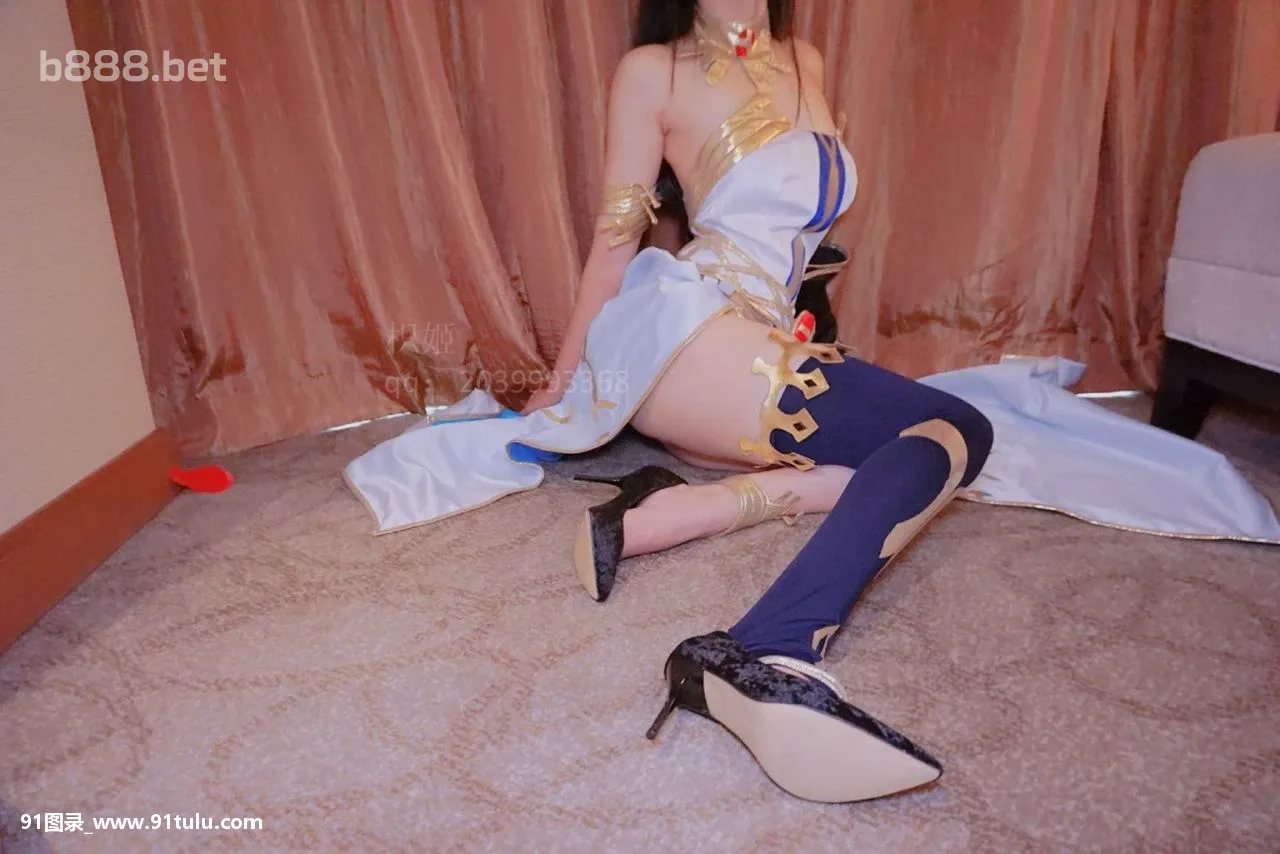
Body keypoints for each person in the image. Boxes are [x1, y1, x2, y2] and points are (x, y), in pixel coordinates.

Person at [345, 0, 1280, 805]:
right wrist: (562, 386)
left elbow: (807, 251)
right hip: (683, 331)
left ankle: (684, 510)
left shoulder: (809, 59)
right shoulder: (653, 69)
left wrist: (811, 342)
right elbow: (613, 243)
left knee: (928, 450)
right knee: (955, 431)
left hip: (763, 341)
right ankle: (764, 650)